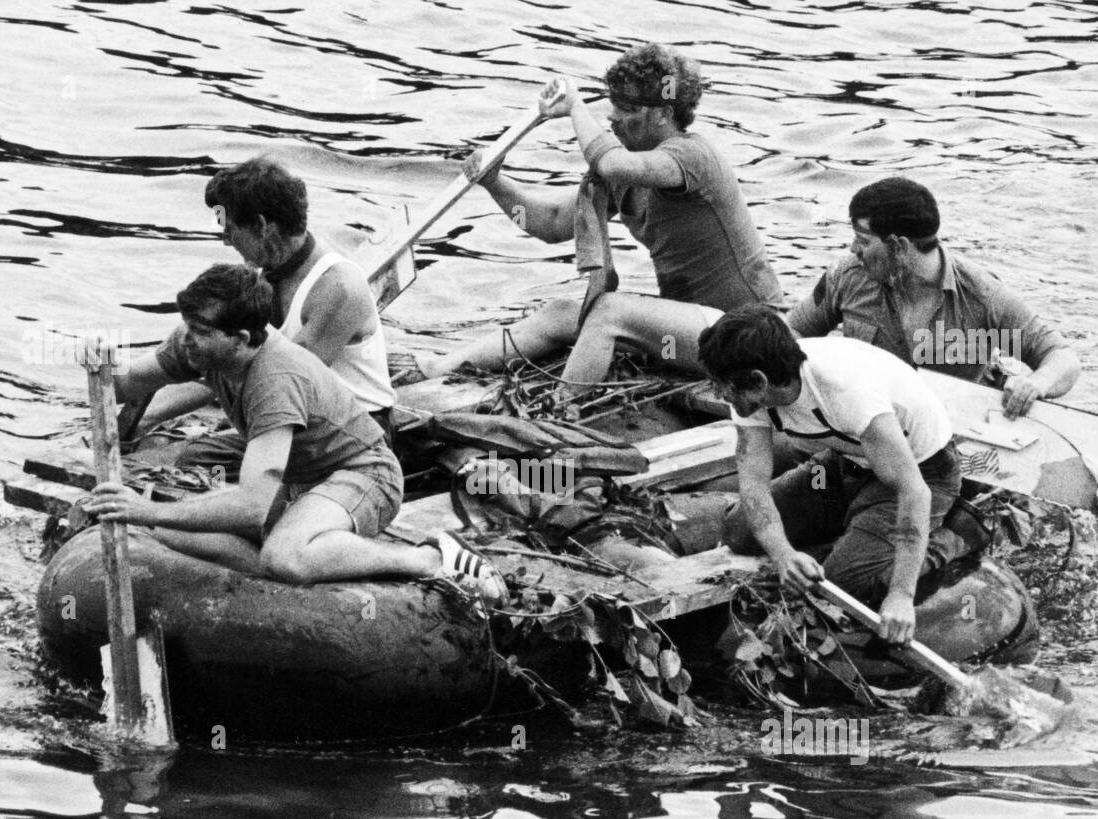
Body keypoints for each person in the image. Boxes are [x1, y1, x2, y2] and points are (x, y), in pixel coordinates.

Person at [86, 264, 504, 598]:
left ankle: (429, 558)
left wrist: (148, 509)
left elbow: (251, 504)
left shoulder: (275, 379)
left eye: (200, 332)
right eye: (187, 327)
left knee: (283, 557)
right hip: (302, 484)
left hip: (365, 476)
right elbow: (124, 383)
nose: (186, 340)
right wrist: (98, 359)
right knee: (172, 533)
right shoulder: (197, 345)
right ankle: (310, 565)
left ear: (242, 338)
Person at [419, 43, 782, 400]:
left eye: (627, 108)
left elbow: (608, 162)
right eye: (613, 105)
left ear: (663, 113)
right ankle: (437, 369)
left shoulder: (692, 156)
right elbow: (552, 223)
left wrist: (574, 106)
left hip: (750, 338)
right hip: (693, 332)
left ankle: (558, 412)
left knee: (609, 311)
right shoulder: (625, 168)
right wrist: (495, 182)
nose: (612, 117)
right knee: (560, 313)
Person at [701, 306, 964, 644]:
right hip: (846, 463)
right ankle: (855, 532)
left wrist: (901, 594)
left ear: (758, 380)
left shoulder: (845, 389)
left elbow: (913, 491)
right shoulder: (751, 399)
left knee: (840, 587)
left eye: (724, 386)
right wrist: (784, 555)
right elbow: (753, 485)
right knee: (739, 532)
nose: (719, 395)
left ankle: (953, 535)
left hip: (924, 472)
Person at [170, 157, 397, 481]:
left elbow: (271, 376)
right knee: (198, 459)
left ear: (262, 226)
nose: (224, 240)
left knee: (234, 475)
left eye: (230, 228)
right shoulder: (265, 266)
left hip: (354, 436)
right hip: (299, 418)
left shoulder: (338, 287)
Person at [788, 176, 1080, 419]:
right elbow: (794, 331)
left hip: (955, 436)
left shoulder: (981, 297)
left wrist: (1034, 385)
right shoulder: (847, 277)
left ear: (898, 246)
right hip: (871, 426)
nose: (854, 249)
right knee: (808, 478)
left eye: (863, 241)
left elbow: (1061, 358)